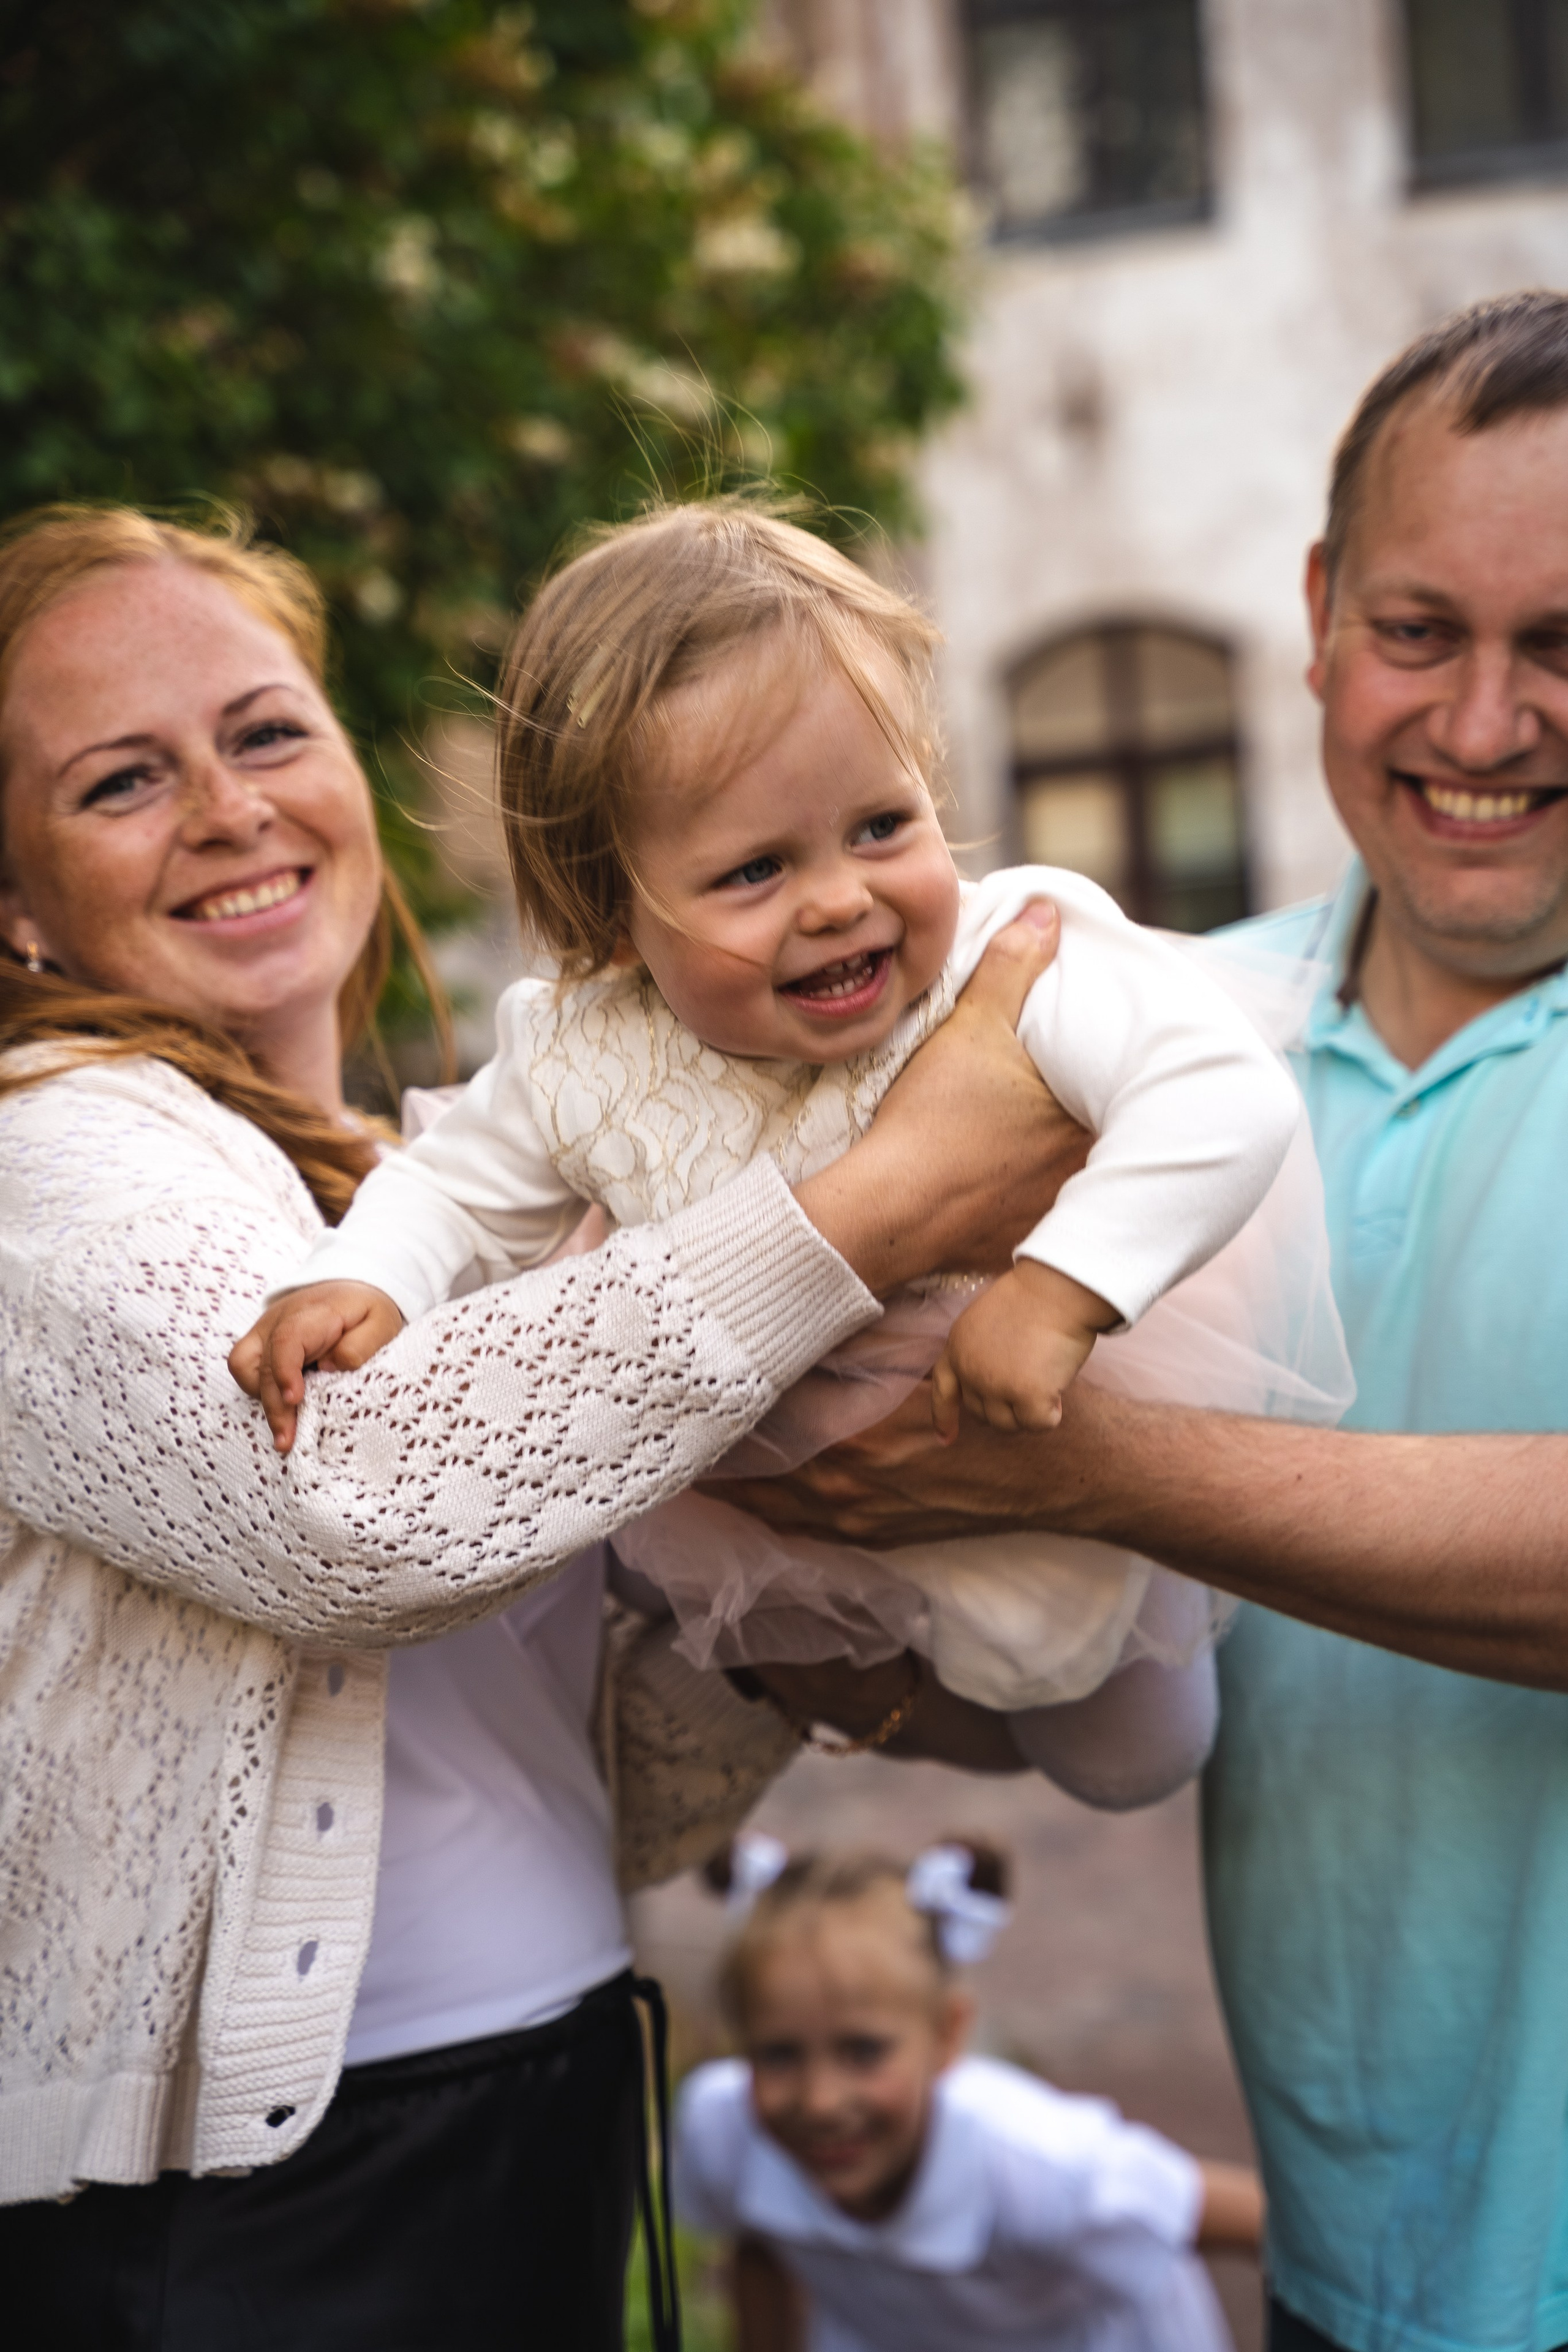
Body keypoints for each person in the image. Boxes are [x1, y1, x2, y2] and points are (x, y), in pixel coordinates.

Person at [0, 503, 1084, 2350]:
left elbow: (551, 1714)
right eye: (123, 779)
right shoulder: (47, 1152)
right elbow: (347, 1510)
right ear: (16, 901)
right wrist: (881, 1202)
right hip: (259, 2214)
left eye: (266, 731)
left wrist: (826, 1641)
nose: (229, 808)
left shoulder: (421, 1170)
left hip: (541, 2086)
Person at [733, 290, 1568, 2352]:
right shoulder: (1160, 1025)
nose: (1481, 725)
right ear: (1312, 612)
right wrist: (843, 1612)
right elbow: (1126, 1632)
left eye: (1563, 643)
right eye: (1418, 631)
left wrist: (1090, 1461)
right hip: (1336, 2258)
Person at [236, 502, 1348, 1785]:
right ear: (612, 912)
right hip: (771, 1489)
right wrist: (363, 1278)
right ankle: (876, 1702)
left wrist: (1060, 1287)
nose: (838, 899)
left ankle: (1010, 1713)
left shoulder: (1010, 957)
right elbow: (451, 1192)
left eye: (881, 826)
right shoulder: (580, 1052)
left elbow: (1224, 1095)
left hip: (1025, 1407)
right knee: (659, 1584)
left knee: (1133, 1755)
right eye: (753, 871)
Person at [672, 1831, 1264, 2352]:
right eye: (778, 2054)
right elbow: (761, 2248)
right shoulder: (723, 2132)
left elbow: (1250, 2218)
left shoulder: (1041, 2166)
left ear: (948, 2033)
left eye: (864, 2051)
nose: (821, 2101)